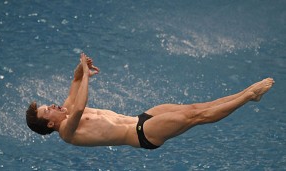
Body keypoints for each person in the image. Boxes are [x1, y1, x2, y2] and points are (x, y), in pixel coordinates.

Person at [26, 53, 275, 149]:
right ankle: (249, 96)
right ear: (50, 124)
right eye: (50, 110)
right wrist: (85, 74)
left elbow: (75, 79)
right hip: (142, 134)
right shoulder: (67, 132)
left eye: (50, 104)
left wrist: (82, 69)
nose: (55, 106)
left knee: (196, 107)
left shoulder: (65, 109)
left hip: (142, 117)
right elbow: (80, 106)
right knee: (196, 117)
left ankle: (248, 93)